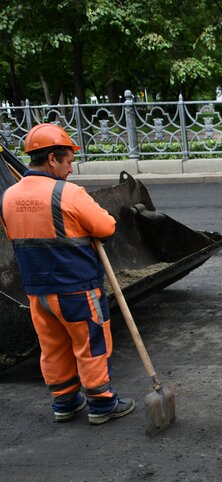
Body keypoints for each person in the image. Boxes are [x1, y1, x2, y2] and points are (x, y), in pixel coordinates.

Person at [0, 123, 135, 425]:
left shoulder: (7, 197)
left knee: (52, 347)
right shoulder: (68, 194)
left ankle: (64, 402)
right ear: (52, 159)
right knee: (91, 345)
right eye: (68, 161)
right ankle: (101, 404)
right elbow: (106, 227)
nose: (71, 169)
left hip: (37, 292)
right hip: (76, 289)